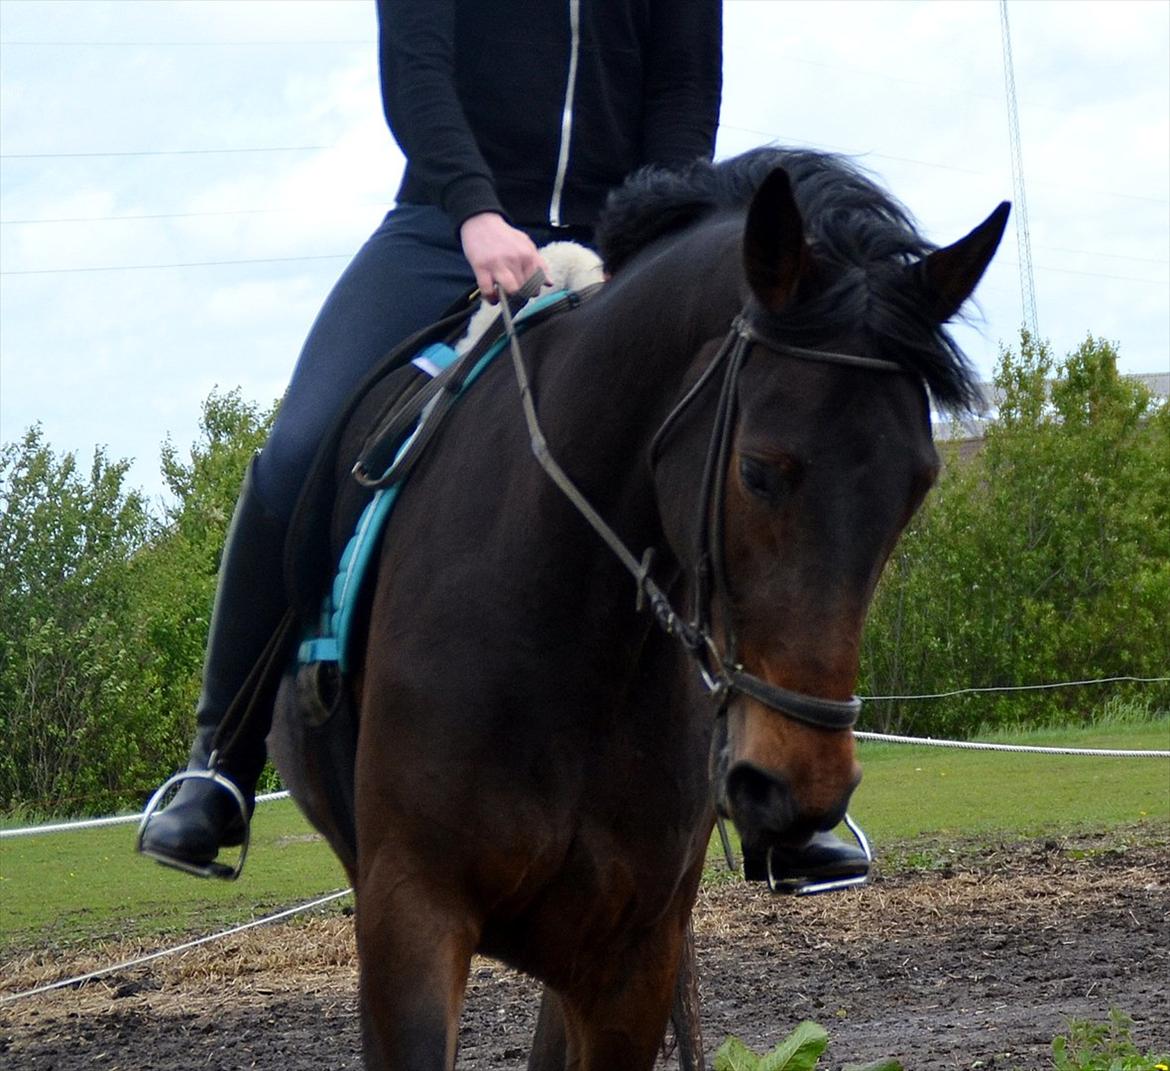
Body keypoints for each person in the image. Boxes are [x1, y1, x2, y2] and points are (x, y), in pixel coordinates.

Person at [138, 0, 868, 890]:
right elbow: (416, 70)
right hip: (447, 230)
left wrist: (652, 231)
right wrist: (475, 208)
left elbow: (682, 89)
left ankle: (768, 789)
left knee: (734, 467)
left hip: (626, 241)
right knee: (296, 451)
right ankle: (220, 759)